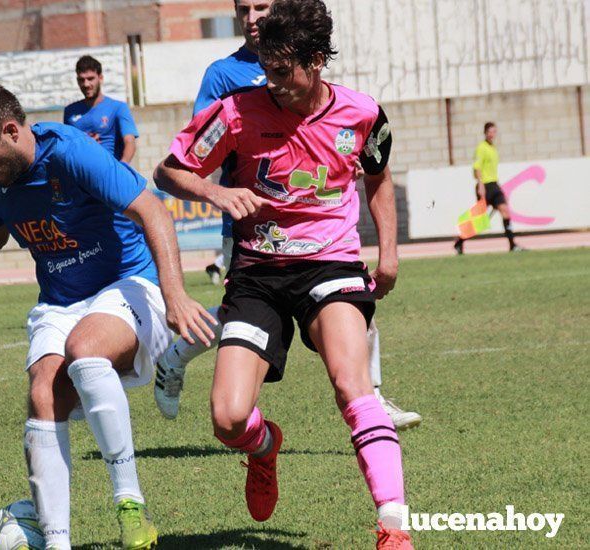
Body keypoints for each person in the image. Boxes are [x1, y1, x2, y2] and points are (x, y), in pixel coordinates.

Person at [0, 76, 213, 550]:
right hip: (61, 301)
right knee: (43, 394)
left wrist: (175, 294)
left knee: (85, 352)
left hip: (129, 284)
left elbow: (153, 212)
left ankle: (130, 505)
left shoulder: (72, 152)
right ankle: (57, 542)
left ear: (12, 131)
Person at [154, 0, 414, 547]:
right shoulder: (234, 112)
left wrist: (387, 253)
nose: (271, 82)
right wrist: (215, 190)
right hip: (257, 275)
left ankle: (393, 525)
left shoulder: (363, 113)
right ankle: (265, 446)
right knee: (227, 419)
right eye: (265, 69)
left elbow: (379, 177)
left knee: (352, 384)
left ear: (316, 60)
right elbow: (171, 171)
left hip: (331, 264)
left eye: (282, 71)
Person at [454, 122, 522, 254]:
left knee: (505, 211)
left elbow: (492, 170)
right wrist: (480, 184)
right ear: (485, 133)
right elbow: (477, 167)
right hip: (484, 186)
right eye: (490, 132)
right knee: (479, 219)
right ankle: (459, 241)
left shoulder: (493, 149)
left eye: (494, 132)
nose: (492, 134)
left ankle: (512, 245)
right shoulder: (482, 148)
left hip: (494, 185)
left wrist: (499, 187)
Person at [63, 55, 139, 162]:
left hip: (109, 172)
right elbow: (67, 146)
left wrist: (122, 168)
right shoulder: (70, 111)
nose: (86, 84)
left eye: (90, 79)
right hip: (81, 174)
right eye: (81, 80)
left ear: (100, 78)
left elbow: (129, 142)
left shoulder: (118, 107)